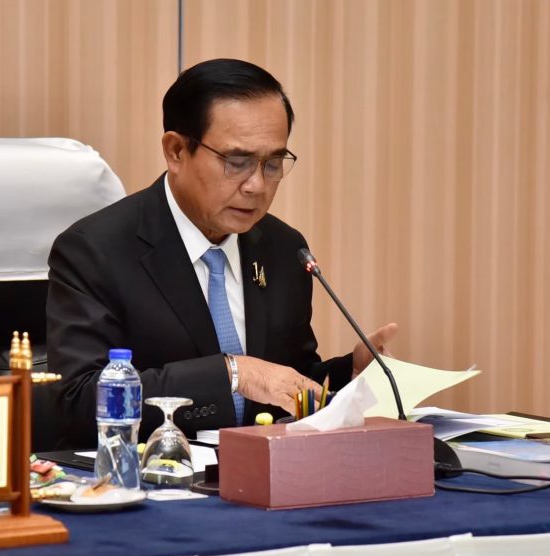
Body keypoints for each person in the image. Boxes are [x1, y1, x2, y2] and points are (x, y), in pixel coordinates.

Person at [47, 58, 397, 449]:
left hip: (262, 474)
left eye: (273, 163)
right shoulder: (96, 250)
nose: (256, 185)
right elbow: (78, 402)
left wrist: (348, 373)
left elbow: (286, 378)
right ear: (176, 151)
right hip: (152, 473)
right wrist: (232, 373)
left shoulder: (284, 248)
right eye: (237, 162)